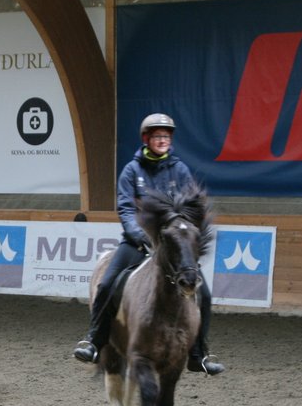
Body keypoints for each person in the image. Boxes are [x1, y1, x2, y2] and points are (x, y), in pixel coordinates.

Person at [72, 113, 224, 375]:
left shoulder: (180, 170)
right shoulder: (132, 171)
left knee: (205, 294)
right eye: (157, 136)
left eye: (166, 136)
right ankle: (94, 340)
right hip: (138, 242)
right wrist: (139, 235)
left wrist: (185, 235)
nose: (162, 140)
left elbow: (190, 208)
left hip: (173, 245)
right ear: (146, 139)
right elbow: (125, 208)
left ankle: (199, 354)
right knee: (107, 284)